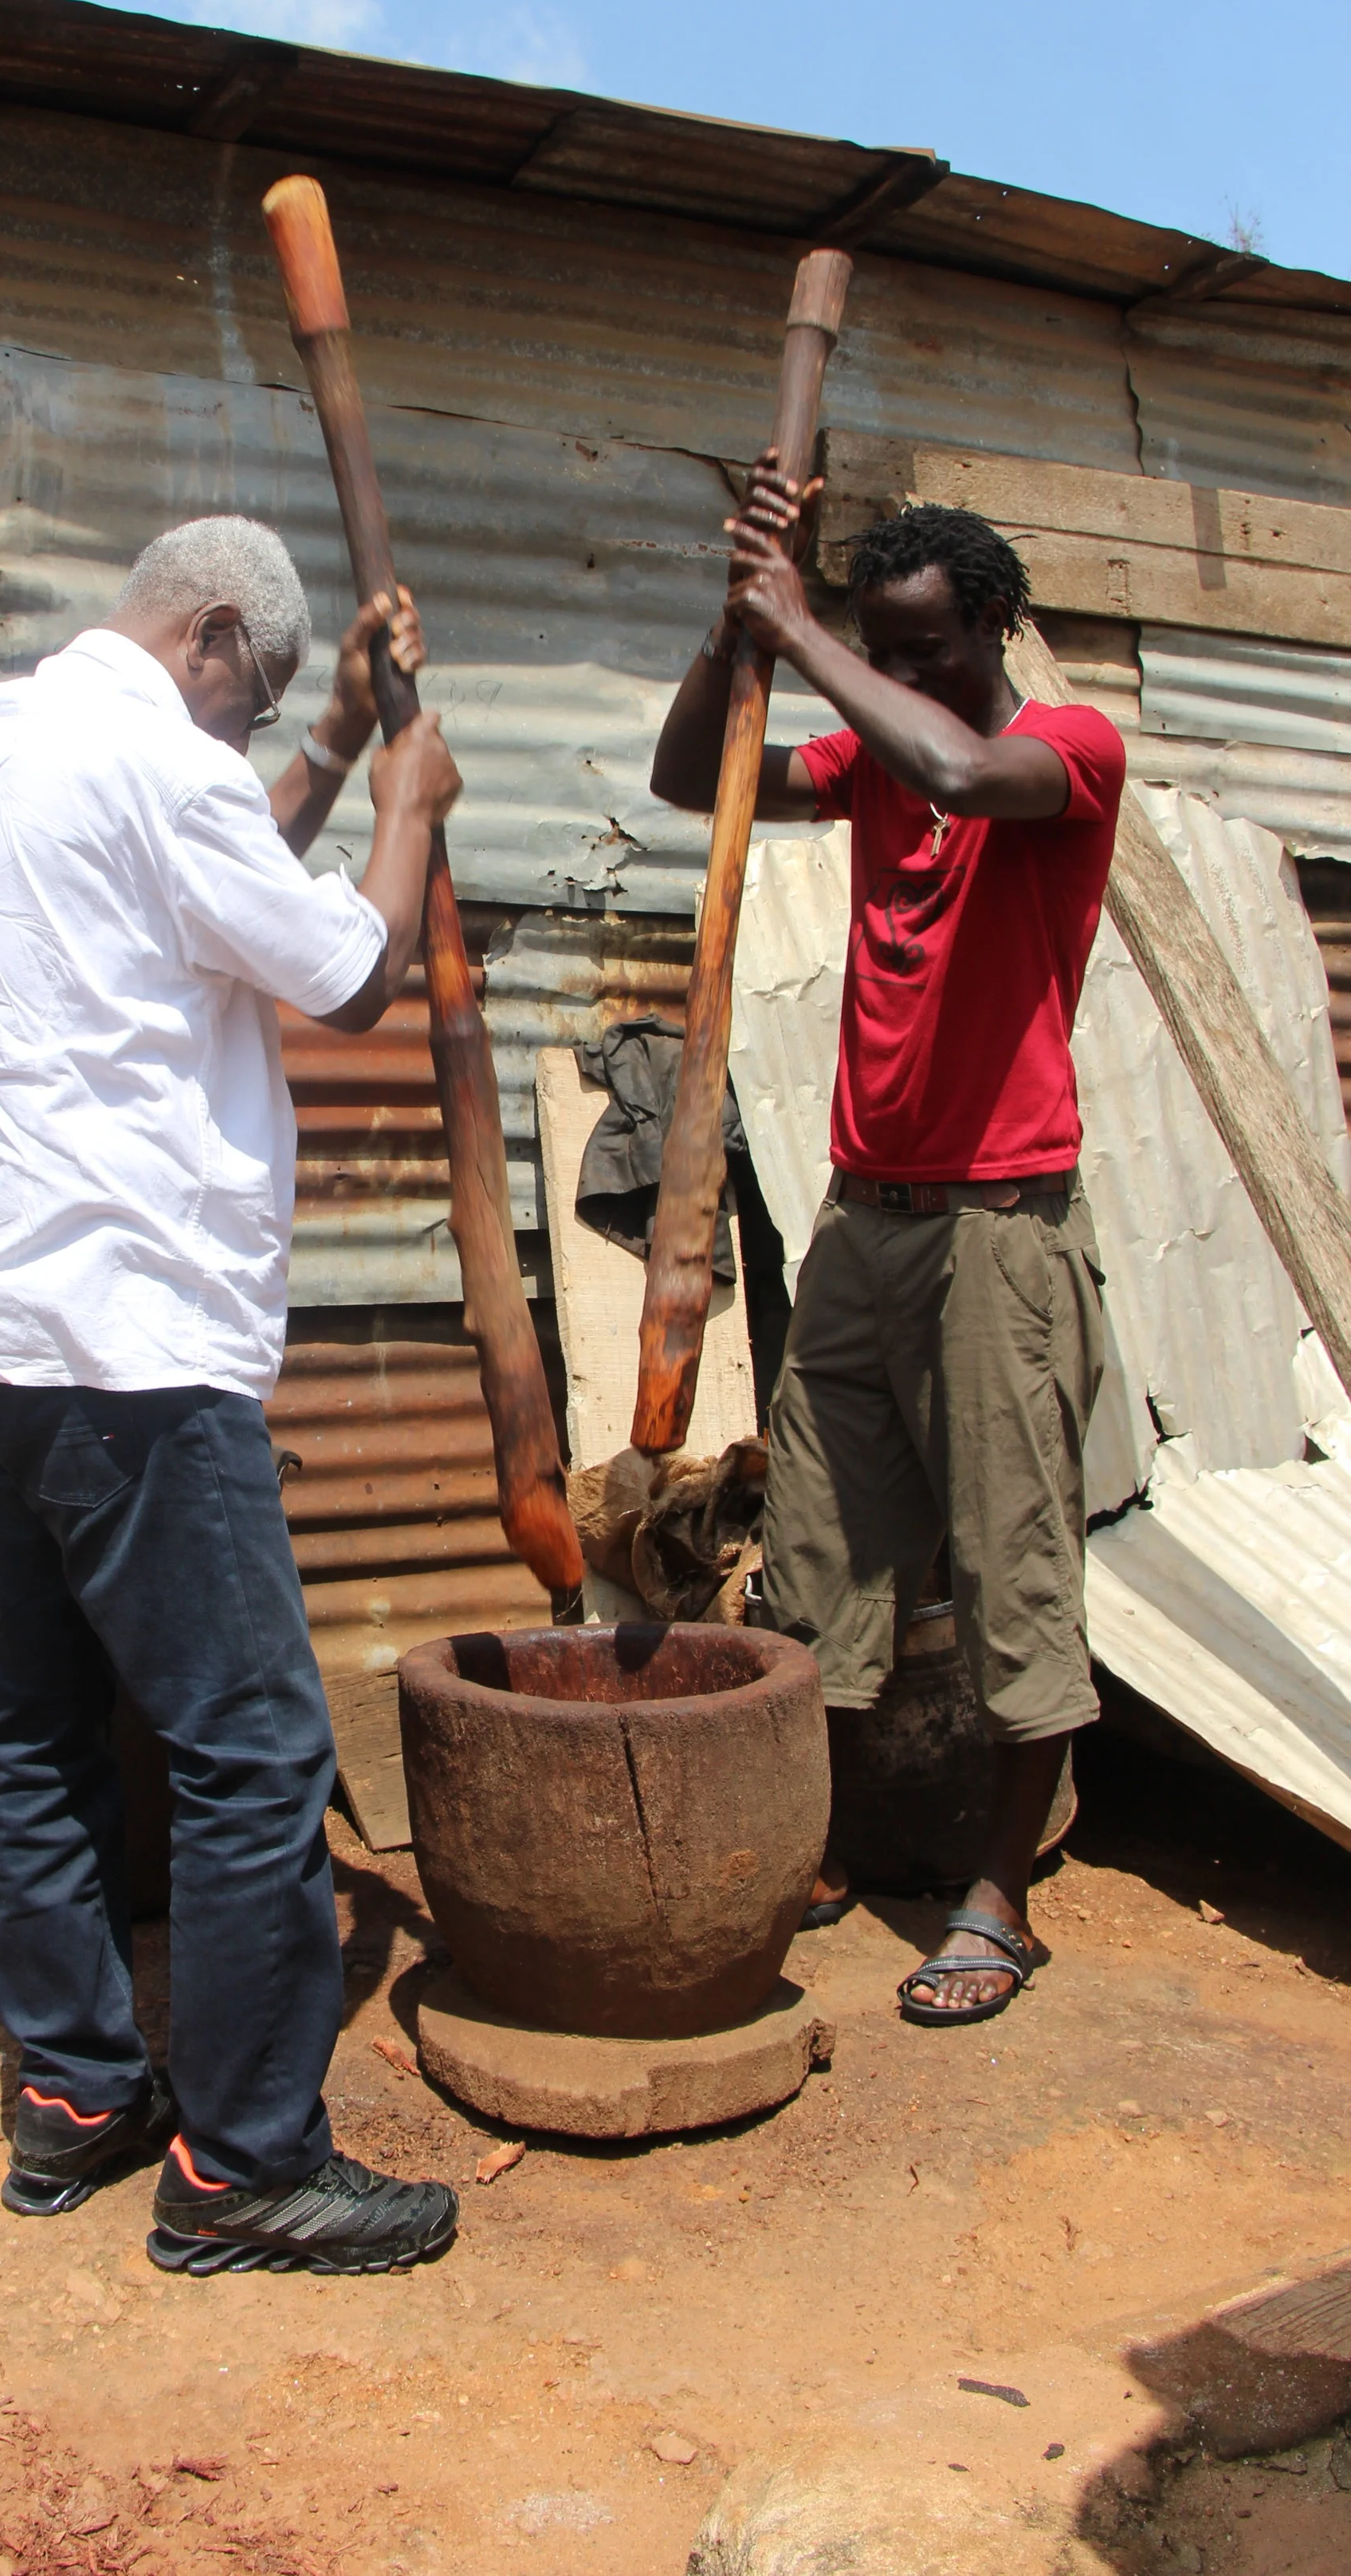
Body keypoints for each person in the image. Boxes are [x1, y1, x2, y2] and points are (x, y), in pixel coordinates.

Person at [0, 516, 465, 2270]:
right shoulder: (164, 761)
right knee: (250, 1753)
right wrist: (406, 811)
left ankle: (72, 2093)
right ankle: (243, 2168)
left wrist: (329, 745)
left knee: (43, 1727)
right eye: (257, 696)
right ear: (210, 633)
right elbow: (347, 971)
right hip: (128, 1350)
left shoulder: (6, 737)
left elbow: (221, 883)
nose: (245, 734)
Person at [650, 470, 1125, 2027]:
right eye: (879, 646)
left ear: (990, 624)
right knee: (821, 1560)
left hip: (999, 1225)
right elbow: (682, 781)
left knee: (1009, 1559)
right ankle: (830, 1851)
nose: (900, 673)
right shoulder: (870, 753)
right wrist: (735, 639)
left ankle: (999, 1898)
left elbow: (961, 765)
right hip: (865, 1217)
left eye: (922, 644)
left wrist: (804, 629)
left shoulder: (1060, 752)